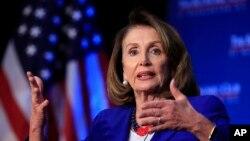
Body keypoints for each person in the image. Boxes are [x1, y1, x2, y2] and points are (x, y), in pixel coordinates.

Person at [27, 9, 230, 141]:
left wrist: (195, 124)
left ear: (173, 66)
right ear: (123, 69)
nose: (144, 60)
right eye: (133, 52)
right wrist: (36, 128)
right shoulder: (107, 122)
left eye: (155, 51)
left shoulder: (204, 109)